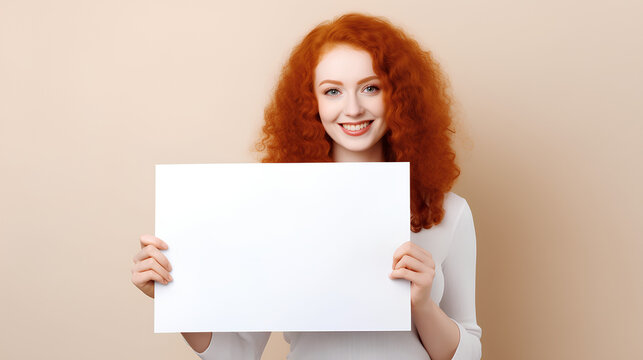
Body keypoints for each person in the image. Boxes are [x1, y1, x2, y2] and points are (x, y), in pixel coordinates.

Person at [131, 12, 482, 360]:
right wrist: (171, 294)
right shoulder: (274, 208)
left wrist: (421, 305)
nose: (354, 108)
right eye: (332, 91)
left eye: (371, 88)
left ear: (400, 96)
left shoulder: (450, 212)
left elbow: (469, 352)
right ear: (311, 103)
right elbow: (236, 352)